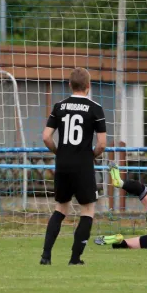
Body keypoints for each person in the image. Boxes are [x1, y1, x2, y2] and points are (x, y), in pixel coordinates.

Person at [40, 67, 107, 265]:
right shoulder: (95, 108)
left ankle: (46, 256)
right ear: (88, 86)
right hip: (83, 164)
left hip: (63, 163)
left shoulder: (59, 106)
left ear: (70, 85)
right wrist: (91, 155)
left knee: (60, 208)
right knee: (87, 210)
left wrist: (59, 152)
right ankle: (75, 258)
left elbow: (46, 136)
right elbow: (102, 143)